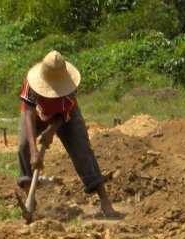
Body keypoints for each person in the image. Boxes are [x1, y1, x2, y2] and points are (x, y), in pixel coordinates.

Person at [17, 50, 122, 219]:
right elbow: (28, 113)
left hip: (65, 116)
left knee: (82, 151)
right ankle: (30, 198)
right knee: (23, 147)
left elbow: (64, 115)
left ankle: (105, 201)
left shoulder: (69, 87)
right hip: (37, 114)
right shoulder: (31, 84)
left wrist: (51, 132)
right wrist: (34, 151)